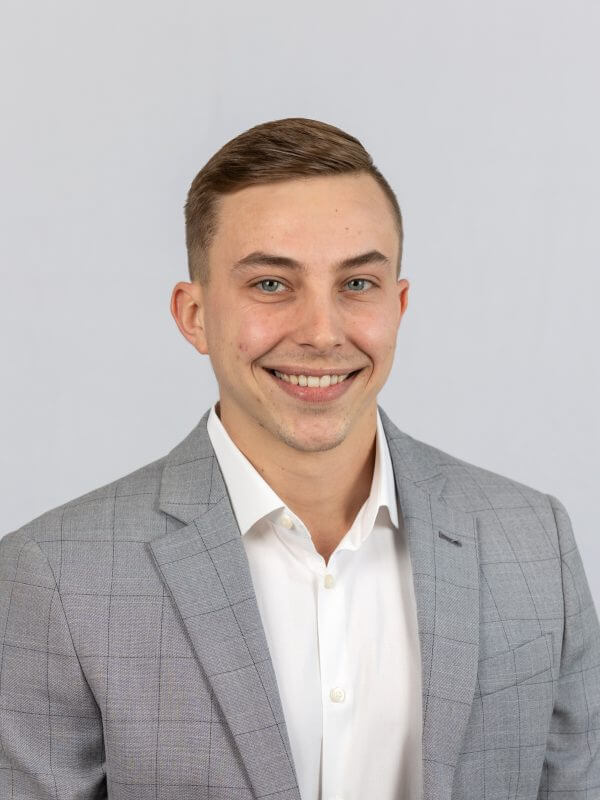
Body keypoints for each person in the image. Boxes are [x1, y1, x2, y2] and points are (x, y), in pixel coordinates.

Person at [1, 117, 598, 800]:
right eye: (271, 286)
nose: (321, 332)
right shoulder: (54, 579)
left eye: (357, 285)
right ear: (194, 315)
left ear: (398, 305)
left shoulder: (534, 543)